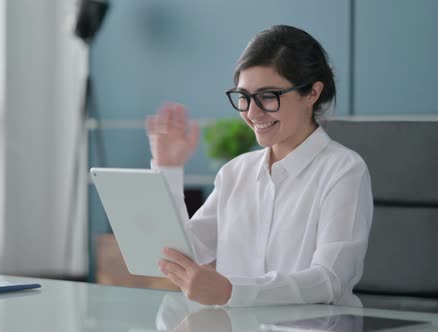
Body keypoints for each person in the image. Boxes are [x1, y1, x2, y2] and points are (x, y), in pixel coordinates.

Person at [146, 25, 373, 307]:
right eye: (244, 97)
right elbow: (182, 253)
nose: (252, 113)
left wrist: (233, 292)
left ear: (312, 93)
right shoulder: (235, 172)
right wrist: (168, 168)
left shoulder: (343, 170)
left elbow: (330, 279)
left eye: (268, 96)